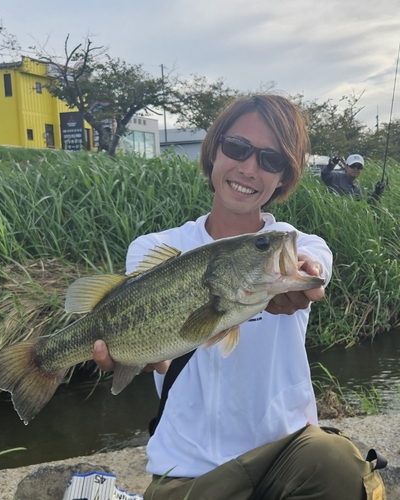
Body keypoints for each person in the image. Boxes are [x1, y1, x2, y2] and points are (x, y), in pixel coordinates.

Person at [93, 95, 386, 499]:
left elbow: (311, 267)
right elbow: (148, 351)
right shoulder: (154, 249)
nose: (249, 168)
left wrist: (306, 279)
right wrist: (137, 356)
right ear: (213, 151)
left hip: (286, 456)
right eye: (237, 148)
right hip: (187, 471)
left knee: (339, 461)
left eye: (271, 159)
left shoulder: (296, 245)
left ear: (284, 176)